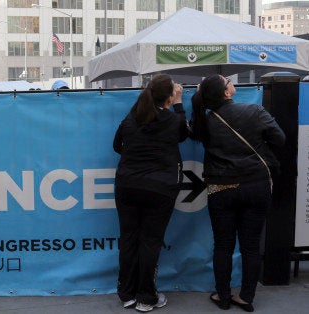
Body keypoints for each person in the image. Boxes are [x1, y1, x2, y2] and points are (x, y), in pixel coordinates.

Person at [190, 75, 285, 312]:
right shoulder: (254, 110)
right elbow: (280, 139)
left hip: (221, 187)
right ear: (227, 93)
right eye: (228, 81)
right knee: (250, 246)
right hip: (256, 184)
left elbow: (192, 125)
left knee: (223, 245)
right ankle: (246, 297)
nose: (232, 82)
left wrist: (197, 93)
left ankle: (223, 296)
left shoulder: (204, 122)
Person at [113, 74, 188, 312]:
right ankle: (146, 297)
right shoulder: (173, 121)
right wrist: (178, 103)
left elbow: (117, 146)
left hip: (127, 185)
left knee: (128, 238)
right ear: (168, 97)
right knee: (150, 241)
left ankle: (127, 294)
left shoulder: (131, 119)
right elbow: (185, 133)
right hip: (160, 189)